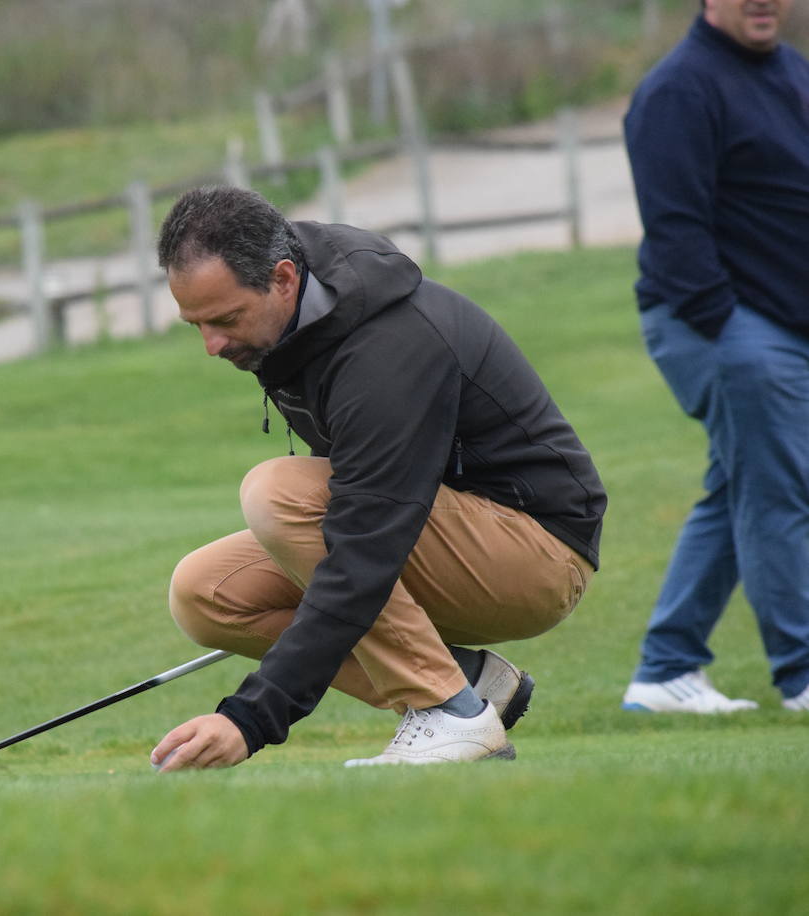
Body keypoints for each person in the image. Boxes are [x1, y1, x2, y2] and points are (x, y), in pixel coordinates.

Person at [147, 187, 606, 771]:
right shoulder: (299, 325)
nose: (212, 345)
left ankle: (448, 712)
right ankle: (471, 685)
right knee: (204, 593)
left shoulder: (385, 348)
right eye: (198, 325)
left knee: (277, 493)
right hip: (436, 537)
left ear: (284, 279)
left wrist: (250, 717)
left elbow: (364, 550)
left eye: (226, 319)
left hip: (537, 554)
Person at [619, 0, 809, 714]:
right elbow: (675, 233)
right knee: (778, 491)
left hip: (778, 325)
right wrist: (732, 338)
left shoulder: (789, 70)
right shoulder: (680, 89)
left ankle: (666, 669)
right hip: (720, 326)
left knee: (745, 486)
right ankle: (801, 674)